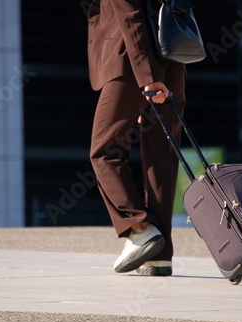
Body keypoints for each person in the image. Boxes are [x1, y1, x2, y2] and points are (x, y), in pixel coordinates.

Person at [87, 0, 186, 276]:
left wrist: (149, 79)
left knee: (104, 151)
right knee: (162, 159)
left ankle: (140, 228)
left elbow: (130, 16)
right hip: (173, 66)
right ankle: (160, 255)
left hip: (131, 65)